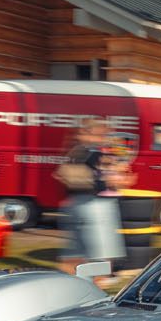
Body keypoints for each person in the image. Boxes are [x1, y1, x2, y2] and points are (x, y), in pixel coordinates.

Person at [55, 120, 116, 281]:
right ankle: (96, 288)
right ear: (88, 134)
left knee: (75, 254)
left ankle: (68, 283)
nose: (104, 138)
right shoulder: (90, 152)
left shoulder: (75, 151)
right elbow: (102, 179)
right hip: (90, 204)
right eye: (101, 134)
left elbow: (60, 175)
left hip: (76, 204)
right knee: (100, 257)